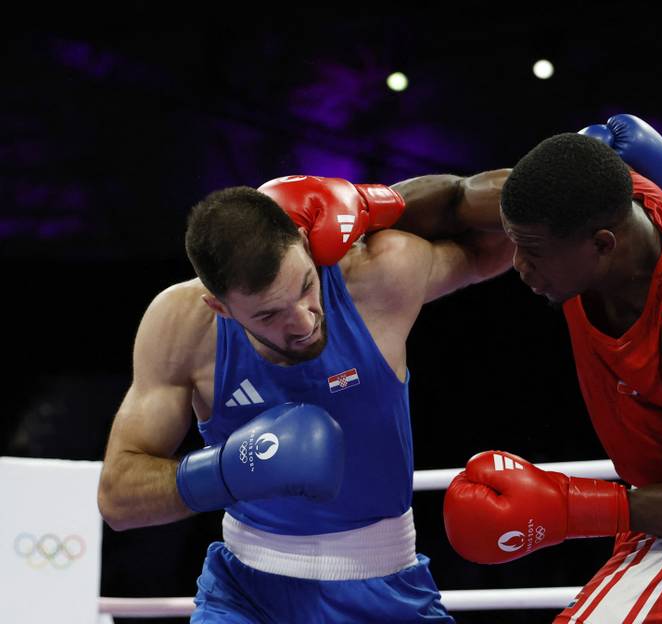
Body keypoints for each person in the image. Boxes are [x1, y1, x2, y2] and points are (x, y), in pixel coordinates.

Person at [97, 171, 513, 622]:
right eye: (269, 314)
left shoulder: (376, 276)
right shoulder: (182, 326)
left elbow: (500, 237)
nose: (301, 320)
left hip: (386, 588)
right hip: (244, 596)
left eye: (305, 285)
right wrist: (228, 471)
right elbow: (118, 497)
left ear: (302, 239)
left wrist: (372, 204)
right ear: (220, 306)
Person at [443, 115, 662, 623]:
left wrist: (571, 509)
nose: (519, 266)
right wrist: (369, 208)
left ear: (604, 244)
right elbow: (455, 200)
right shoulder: (587, 193)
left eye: (535, 252)